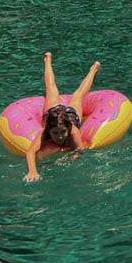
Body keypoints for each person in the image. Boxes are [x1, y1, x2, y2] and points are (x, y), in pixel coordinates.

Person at [23, 52, 100, 182]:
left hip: (70, 115)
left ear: (68, 129)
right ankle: (47, 60)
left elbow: (79, 151)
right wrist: (32, 171)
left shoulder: (73, 131)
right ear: (49, 130)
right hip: (52, 112)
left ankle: (94, 69)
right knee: (50, 88)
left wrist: (62, 161)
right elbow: (30, 152)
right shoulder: (45, 133)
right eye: (55, 133)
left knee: (79, 94)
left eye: (62, 132)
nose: (59, 137)